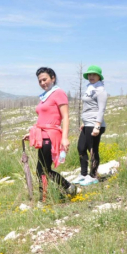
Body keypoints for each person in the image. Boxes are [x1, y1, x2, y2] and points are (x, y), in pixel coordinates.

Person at [23, 67, 77, 201]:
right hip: (42, 135)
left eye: (45, 79)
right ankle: (68, 187)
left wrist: (65, 138)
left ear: (53, 78)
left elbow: (65, 117)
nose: (42, 83)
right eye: (40, 81)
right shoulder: (46, 96)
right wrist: (32, 134)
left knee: (42, 170)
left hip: (51, 136)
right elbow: (44, 118)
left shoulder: (58, 93)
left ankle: (44, 199)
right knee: (43, 170)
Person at [73, 65, 107, 186]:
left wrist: (97, 125)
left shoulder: (100, 90)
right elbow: (89, 107)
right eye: (89, 75)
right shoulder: (90, 88)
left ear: (99, 76)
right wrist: (84, 123)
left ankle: (93, 176)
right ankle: (83, 174)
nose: (91, 77)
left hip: (95, 123)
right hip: (87, 123)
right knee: (81, 148)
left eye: (94, 74)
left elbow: (101, 109)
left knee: (92, 149)